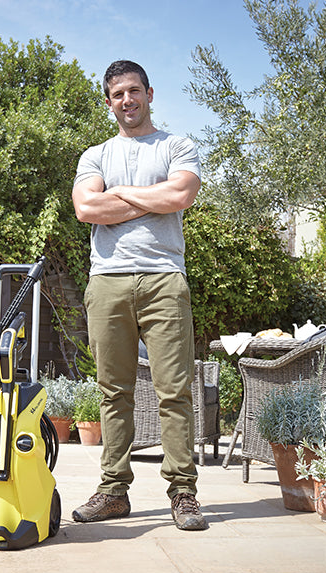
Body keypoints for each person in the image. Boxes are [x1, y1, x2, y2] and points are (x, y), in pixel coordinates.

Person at [70, 60, 206, 530]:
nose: (126, 100)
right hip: (107, 281)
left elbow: (180, 196)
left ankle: (183, 493)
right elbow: (86, 207)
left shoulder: (176, 146)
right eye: (117, 94)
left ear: (149, 93)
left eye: (133, 90)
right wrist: (149, 195)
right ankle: (113, 492)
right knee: (113, 391)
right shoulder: (95, 155)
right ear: (108, 102)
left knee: (175, 390)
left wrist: (120, 194)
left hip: (164, 279)